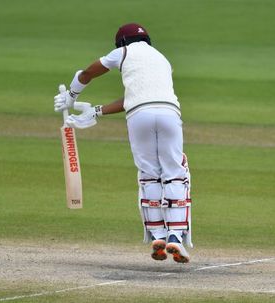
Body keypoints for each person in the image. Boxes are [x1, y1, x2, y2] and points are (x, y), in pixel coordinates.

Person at [54, 23, 192, 263]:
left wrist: (72, 96)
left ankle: (158, 234)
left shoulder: (123, 52)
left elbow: (87, 73)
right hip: (169, 113)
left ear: (121, 43)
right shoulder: (162, 59)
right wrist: (96, 111)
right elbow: (138, 96)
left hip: (139, 117)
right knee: (174, 173)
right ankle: (175, 237)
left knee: (149, 173)